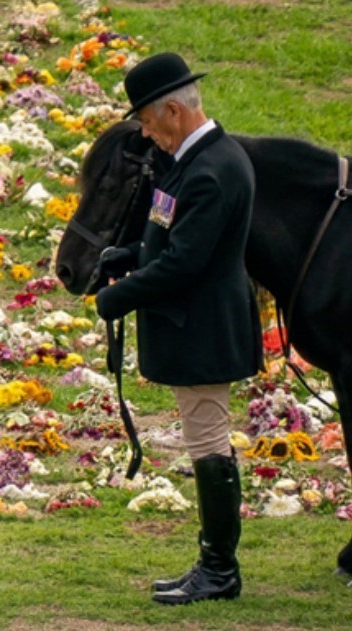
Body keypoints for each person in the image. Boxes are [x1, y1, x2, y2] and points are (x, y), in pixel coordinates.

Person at [93, 52, 262, 605]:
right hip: (197, 323)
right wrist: (128, 254)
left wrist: (118, 297)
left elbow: (185, 263)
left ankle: (219, 569)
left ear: (171, 110)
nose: (146, 133)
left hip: (205, 327)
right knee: (202, 439)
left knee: (209, 442)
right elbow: (170, 237)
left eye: (145, 122)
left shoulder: (212, 170)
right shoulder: (195, 162)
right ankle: (213, 564)